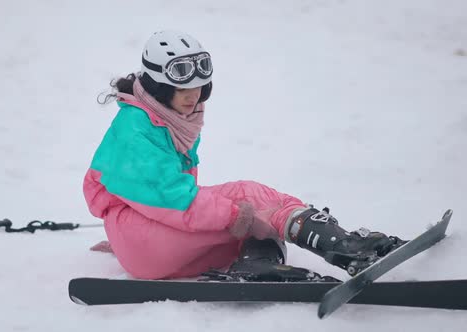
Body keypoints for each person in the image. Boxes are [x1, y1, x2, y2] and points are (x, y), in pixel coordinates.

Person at [83, 30, 404, 282]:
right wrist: (237, 216)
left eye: (199, 86)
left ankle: (260, 263)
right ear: (159, 86)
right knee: (248, 201)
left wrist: (245, 220)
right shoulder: (135, 131)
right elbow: (171, 198)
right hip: (142, 241)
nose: (193, 95)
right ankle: (344, 247)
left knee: (259, 220)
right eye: (183, 88)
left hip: (147, 241)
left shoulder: (165, 119)